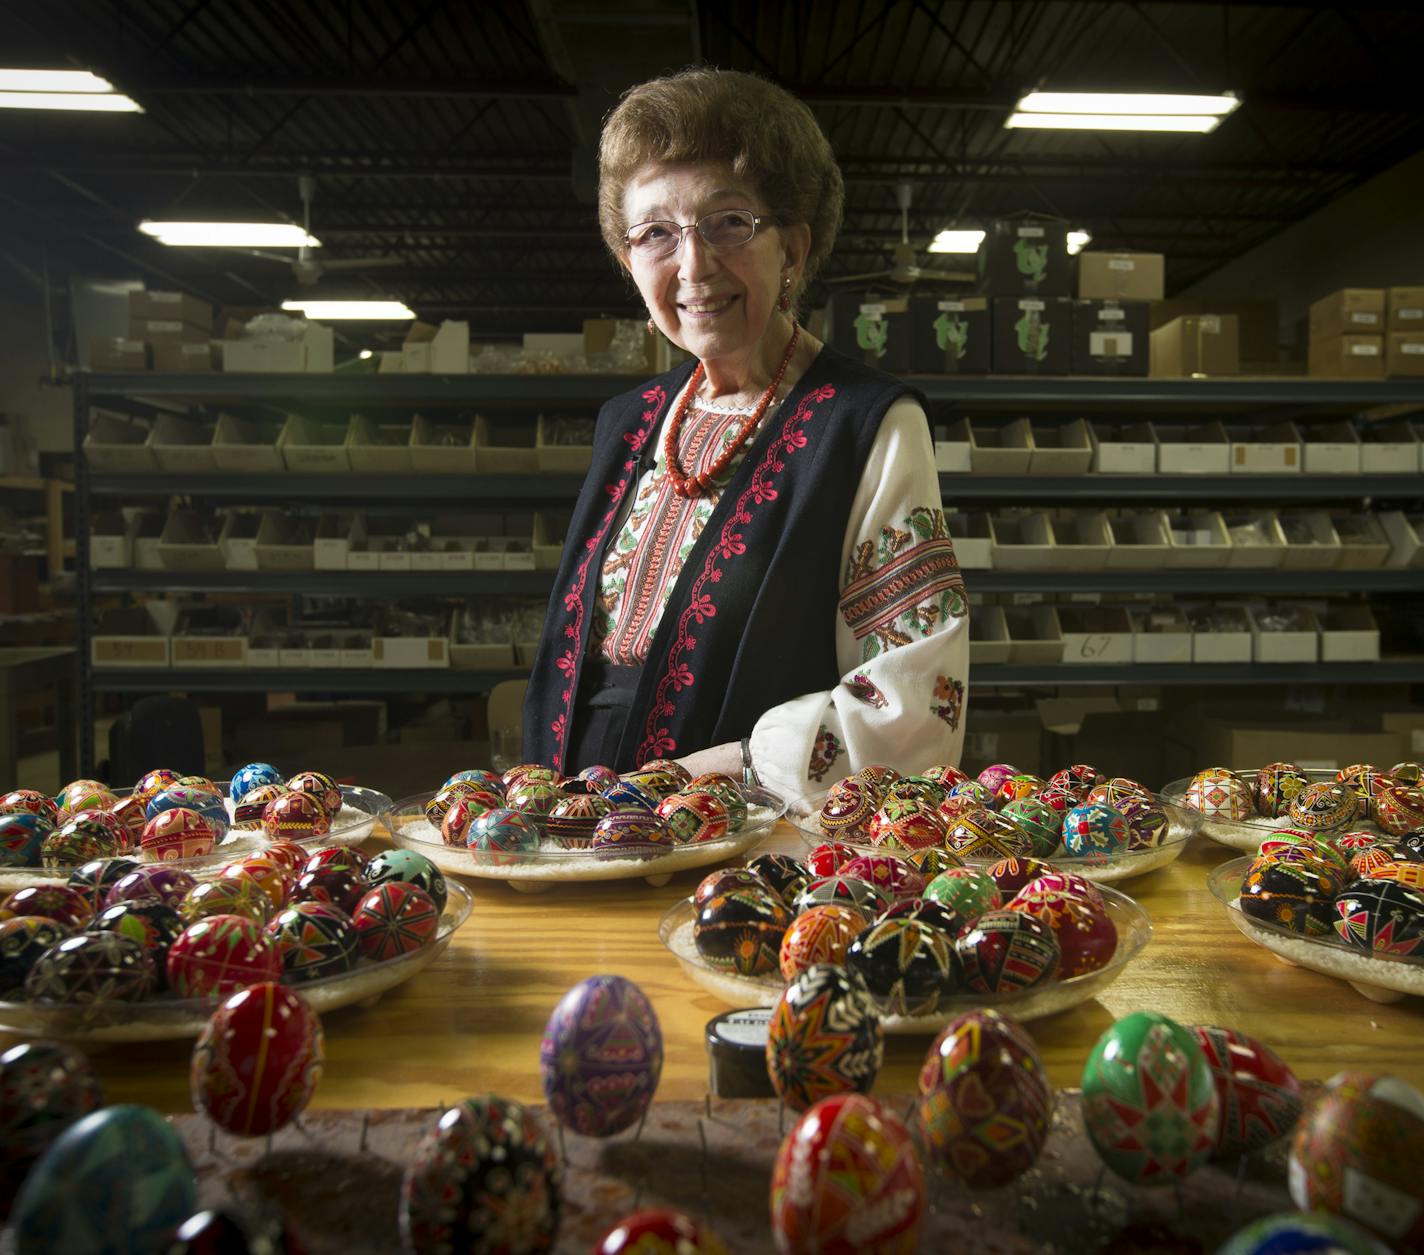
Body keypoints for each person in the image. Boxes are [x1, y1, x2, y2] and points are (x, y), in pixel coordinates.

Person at [524, 67, 969, 812]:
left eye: (729, 222)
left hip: (751, 859)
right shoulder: (628, 423)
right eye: (656, 233)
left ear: (791, 248)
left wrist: (725, 770)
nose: (693, 266)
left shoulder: (866, 424)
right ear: (628, 260)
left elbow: (918, 702)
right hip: (580, 837)